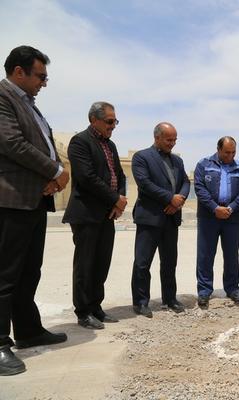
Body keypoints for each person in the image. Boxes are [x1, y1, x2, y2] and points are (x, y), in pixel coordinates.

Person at [0, 46, 69, 376]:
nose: (44, 82)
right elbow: (12, 144)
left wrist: (50, 179)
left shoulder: (32, 106)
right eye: (40, 76)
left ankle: (27, 330)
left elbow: (39, 145)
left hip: (34, 199)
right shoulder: (2, 98)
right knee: (5, 274)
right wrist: (55, 172)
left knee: (30, 271)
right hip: (11, 199)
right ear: (18, 72)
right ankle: (0, 343)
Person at [62, 102, 127, 330]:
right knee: (85, 265)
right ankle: (83, 311)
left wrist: (120, 200)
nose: (113, 126)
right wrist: (114, 199)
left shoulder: (111, 146)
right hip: (87, 214)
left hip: (107, 214)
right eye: (110, 122)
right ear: (94, 120)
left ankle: (96, 307)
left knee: (101, 263)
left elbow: (120, 175)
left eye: (115, 122)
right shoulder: (80, 142)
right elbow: (87, 177)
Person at [131, 122, 190, 318]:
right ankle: (141, 302)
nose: (172, 143)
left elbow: (185, 182)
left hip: (171, 218)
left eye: (174, 139)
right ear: (157, 137)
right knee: (142, 263)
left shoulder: (177, 161)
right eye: (168, 139)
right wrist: (169, 198)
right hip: (150, 218)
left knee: (169, 262)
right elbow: (145, 184)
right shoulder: (142, 157)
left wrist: (178, 200)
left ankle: (170, 299)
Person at [194, 136, 239, 309]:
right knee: (205, 255)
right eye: (227, 152)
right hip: (208, 217)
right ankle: (204, 291)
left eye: (233, 152)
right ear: (218, 149)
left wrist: (231, 208)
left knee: (232, 255)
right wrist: (214, 208)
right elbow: (199, 188)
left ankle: (232, 288)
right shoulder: (204, 165)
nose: (230, 155)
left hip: (232, 218)